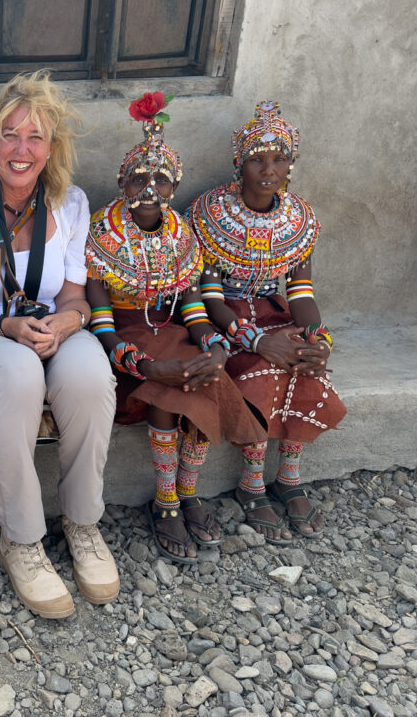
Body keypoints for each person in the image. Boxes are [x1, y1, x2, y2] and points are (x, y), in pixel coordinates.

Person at [0, 71, 118, 618]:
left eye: (35, 137)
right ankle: (22, 539)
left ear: (51, 148)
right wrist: (4, 328)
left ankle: (82, 524)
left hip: (48, 331)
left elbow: (77, 299)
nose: (21, 149)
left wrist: (65, 324)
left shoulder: (71, 203)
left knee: (88, 373)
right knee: (17, 372)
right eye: (10, 134)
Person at [85, 94, 266, 563]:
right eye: (139, 178)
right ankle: (166, 499)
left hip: (173, 332)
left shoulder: (182, 235)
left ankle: (188, 491)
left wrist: (215, 345)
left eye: (160, 179)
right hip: (126, 343)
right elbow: (102, 324)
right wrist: (143, 363)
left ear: (174, 186)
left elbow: (193, 308)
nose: (149, 187)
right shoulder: (100, 232)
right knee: (167, 391)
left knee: (207, 375)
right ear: (121, 182)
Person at [189, 100, 346, 542]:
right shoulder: (211, 214)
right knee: (262, 376)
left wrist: (319, 338)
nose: (268, 169)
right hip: (226, 320)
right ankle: (251, 483)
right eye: (257, 159)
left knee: (308, 368)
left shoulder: (298, 219)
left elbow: (301, 295)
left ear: (291, 164)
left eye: (279, 159)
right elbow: (211, 298)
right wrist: (258, 342)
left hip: (274, 312)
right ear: (240, 162)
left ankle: (289, 477)